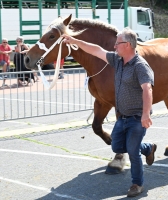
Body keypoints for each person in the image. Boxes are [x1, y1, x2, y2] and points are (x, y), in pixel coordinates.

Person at [62, 27, 157, 197]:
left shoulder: (140, 66)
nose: (114, 46)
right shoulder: (117, 60)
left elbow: (147, 89)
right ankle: (148, 148)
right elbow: (96, 50)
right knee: (117, 146)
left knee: (133, 153)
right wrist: (74, 41)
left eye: (117, 43)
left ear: (127, 45)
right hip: (122, 117)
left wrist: (145, 114)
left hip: (136, 117)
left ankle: (137, 184)